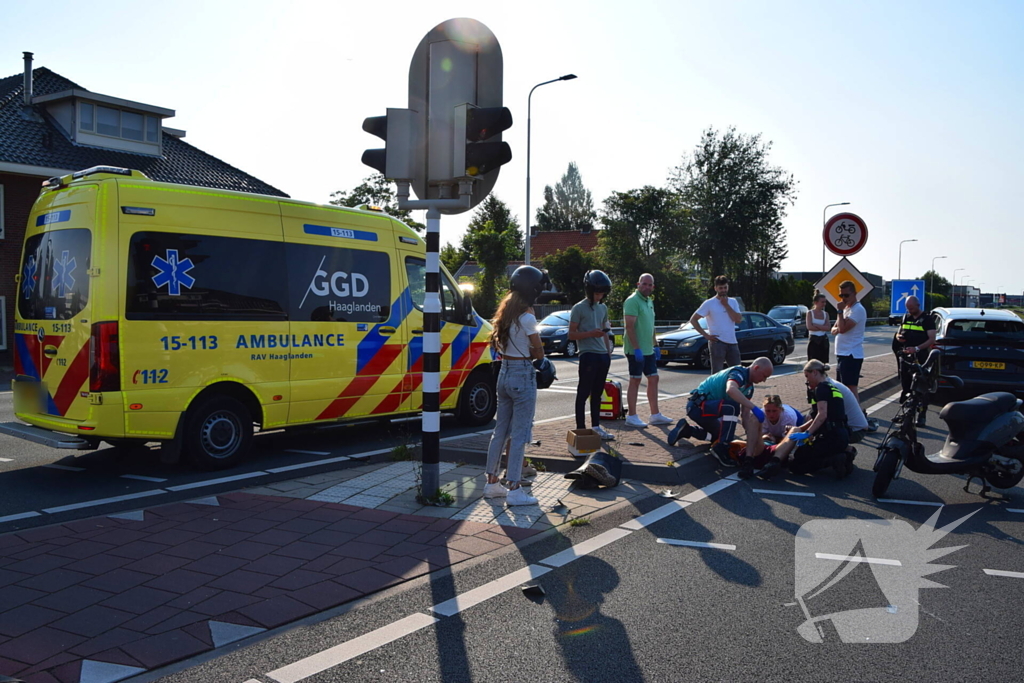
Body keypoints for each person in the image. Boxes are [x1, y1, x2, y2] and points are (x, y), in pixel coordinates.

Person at [483, 266, 545, 506]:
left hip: (504, 372)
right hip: (522, 374)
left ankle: (491, 483)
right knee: (519, 435)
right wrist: (538, 353)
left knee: (500, 431)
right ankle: (515, 488)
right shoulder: (528, 318)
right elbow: (538, 352)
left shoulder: (504, 316)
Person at [755, 360, 853, 481]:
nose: (807, 381)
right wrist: (801, 430)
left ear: (815, 372)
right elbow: (815, 417)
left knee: (796, 466)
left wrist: (808, 433)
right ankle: (842, 454)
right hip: (841, 434)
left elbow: (822, 415)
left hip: (830, 437)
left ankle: (836, 458)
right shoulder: (833, 388)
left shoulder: (821, 389)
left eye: (807, 376)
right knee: (802, 454)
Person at [667, 357, 774, 467]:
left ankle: (688, 430)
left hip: (709, 410)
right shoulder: (739, 373)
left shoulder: (749, 388)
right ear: (756, 368)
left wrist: (750, 437)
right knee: (733, 407)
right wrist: (754, 408)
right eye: (764, 376)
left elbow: (745, 416)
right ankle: (722, 448)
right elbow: (731, 390)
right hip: (697, 407)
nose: (764, 380)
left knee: (719, 436)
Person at [569, 270, 616, 440]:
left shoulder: (603, 307)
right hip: (587, 354)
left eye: (602, 293)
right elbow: (571, 335)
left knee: (597, 393)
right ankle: (581, 428)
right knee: (583, 392)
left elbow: (604, 331)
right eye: (597, 293)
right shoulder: (578, 308)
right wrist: (590, 334)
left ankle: (596, 426)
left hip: (602, 354)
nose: (600, 296)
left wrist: (608, 352)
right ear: (589, 291)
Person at [623, 273, 672, 428]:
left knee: (654, 378)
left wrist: (655, 344)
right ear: (638, 284)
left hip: (648, 348)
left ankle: (655, 414)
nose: (647, 287)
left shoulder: (649, 301)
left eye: (650, 285)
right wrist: (636, 348)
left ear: (653, 287)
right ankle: (631, 416)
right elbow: (629, 327)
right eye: (644, 284)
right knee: (635, 380)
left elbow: (651, 325)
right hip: (635, 349)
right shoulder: (632, 301)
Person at [832, 280, 878, 431]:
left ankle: (859, 420)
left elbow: (842, 329)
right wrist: (839, 321)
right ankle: (850, 417)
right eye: (841, 295)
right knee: (843, 388)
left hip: (851, 354)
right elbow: (835, 328)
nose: (843, 298)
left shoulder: (858, 309)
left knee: (850, 389)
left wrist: (839, 314)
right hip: (842, 353)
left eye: (846, 295)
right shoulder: (847, 309)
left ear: (854, 294)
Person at [892, 295, 937, 427]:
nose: (909, 310)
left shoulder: (927, 319)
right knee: (906, 386)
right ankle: (906, 414)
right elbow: (898, 332)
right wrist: (899, 337)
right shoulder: (906, 317)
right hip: (906, 357)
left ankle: (922, 414)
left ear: (918, 305)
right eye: (907, 308)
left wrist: (917, 348)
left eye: (911, 308)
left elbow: (931, 339)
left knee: (921, 387)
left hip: (921, 357)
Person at [690, 275, 744, 373]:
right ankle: (716, 388)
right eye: (720, 288)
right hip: (717, 342)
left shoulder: (733, 301)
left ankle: (735, 388)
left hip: (732, 341)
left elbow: (738, 319)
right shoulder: (709, 303)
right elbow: (693, 320)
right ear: (715, 288)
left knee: (738, 371)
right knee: (717, 373)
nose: (723, 290)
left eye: (725, 288)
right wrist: (706, 335)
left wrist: (726, 305)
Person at [806, 293, 831, 363]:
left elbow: (828, 327)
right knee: (813, 362)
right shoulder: (810, 313)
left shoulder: (825, 314)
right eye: (822, 302)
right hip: (814, 340)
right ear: (816, 302)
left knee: (823, 363)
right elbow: (809, 327)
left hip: (823, 340)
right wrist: (823, 327)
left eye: (825, 302)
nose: (824, 304)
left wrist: (817, 325)